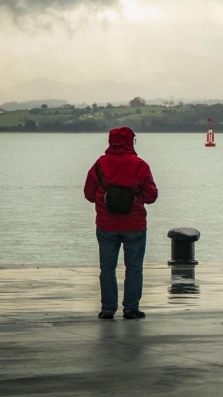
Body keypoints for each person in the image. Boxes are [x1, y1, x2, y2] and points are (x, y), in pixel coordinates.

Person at [84, 127, 158, 319]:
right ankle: (131, 308)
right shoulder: (140, 165)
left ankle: (108, 308)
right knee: (134, 267)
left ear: (111, 141)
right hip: (134, 225)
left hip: (106, 224)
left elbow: (88, 194)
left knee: (107, 268)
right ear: (131, 142)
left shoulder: (100, 164)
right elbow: (151, 196)